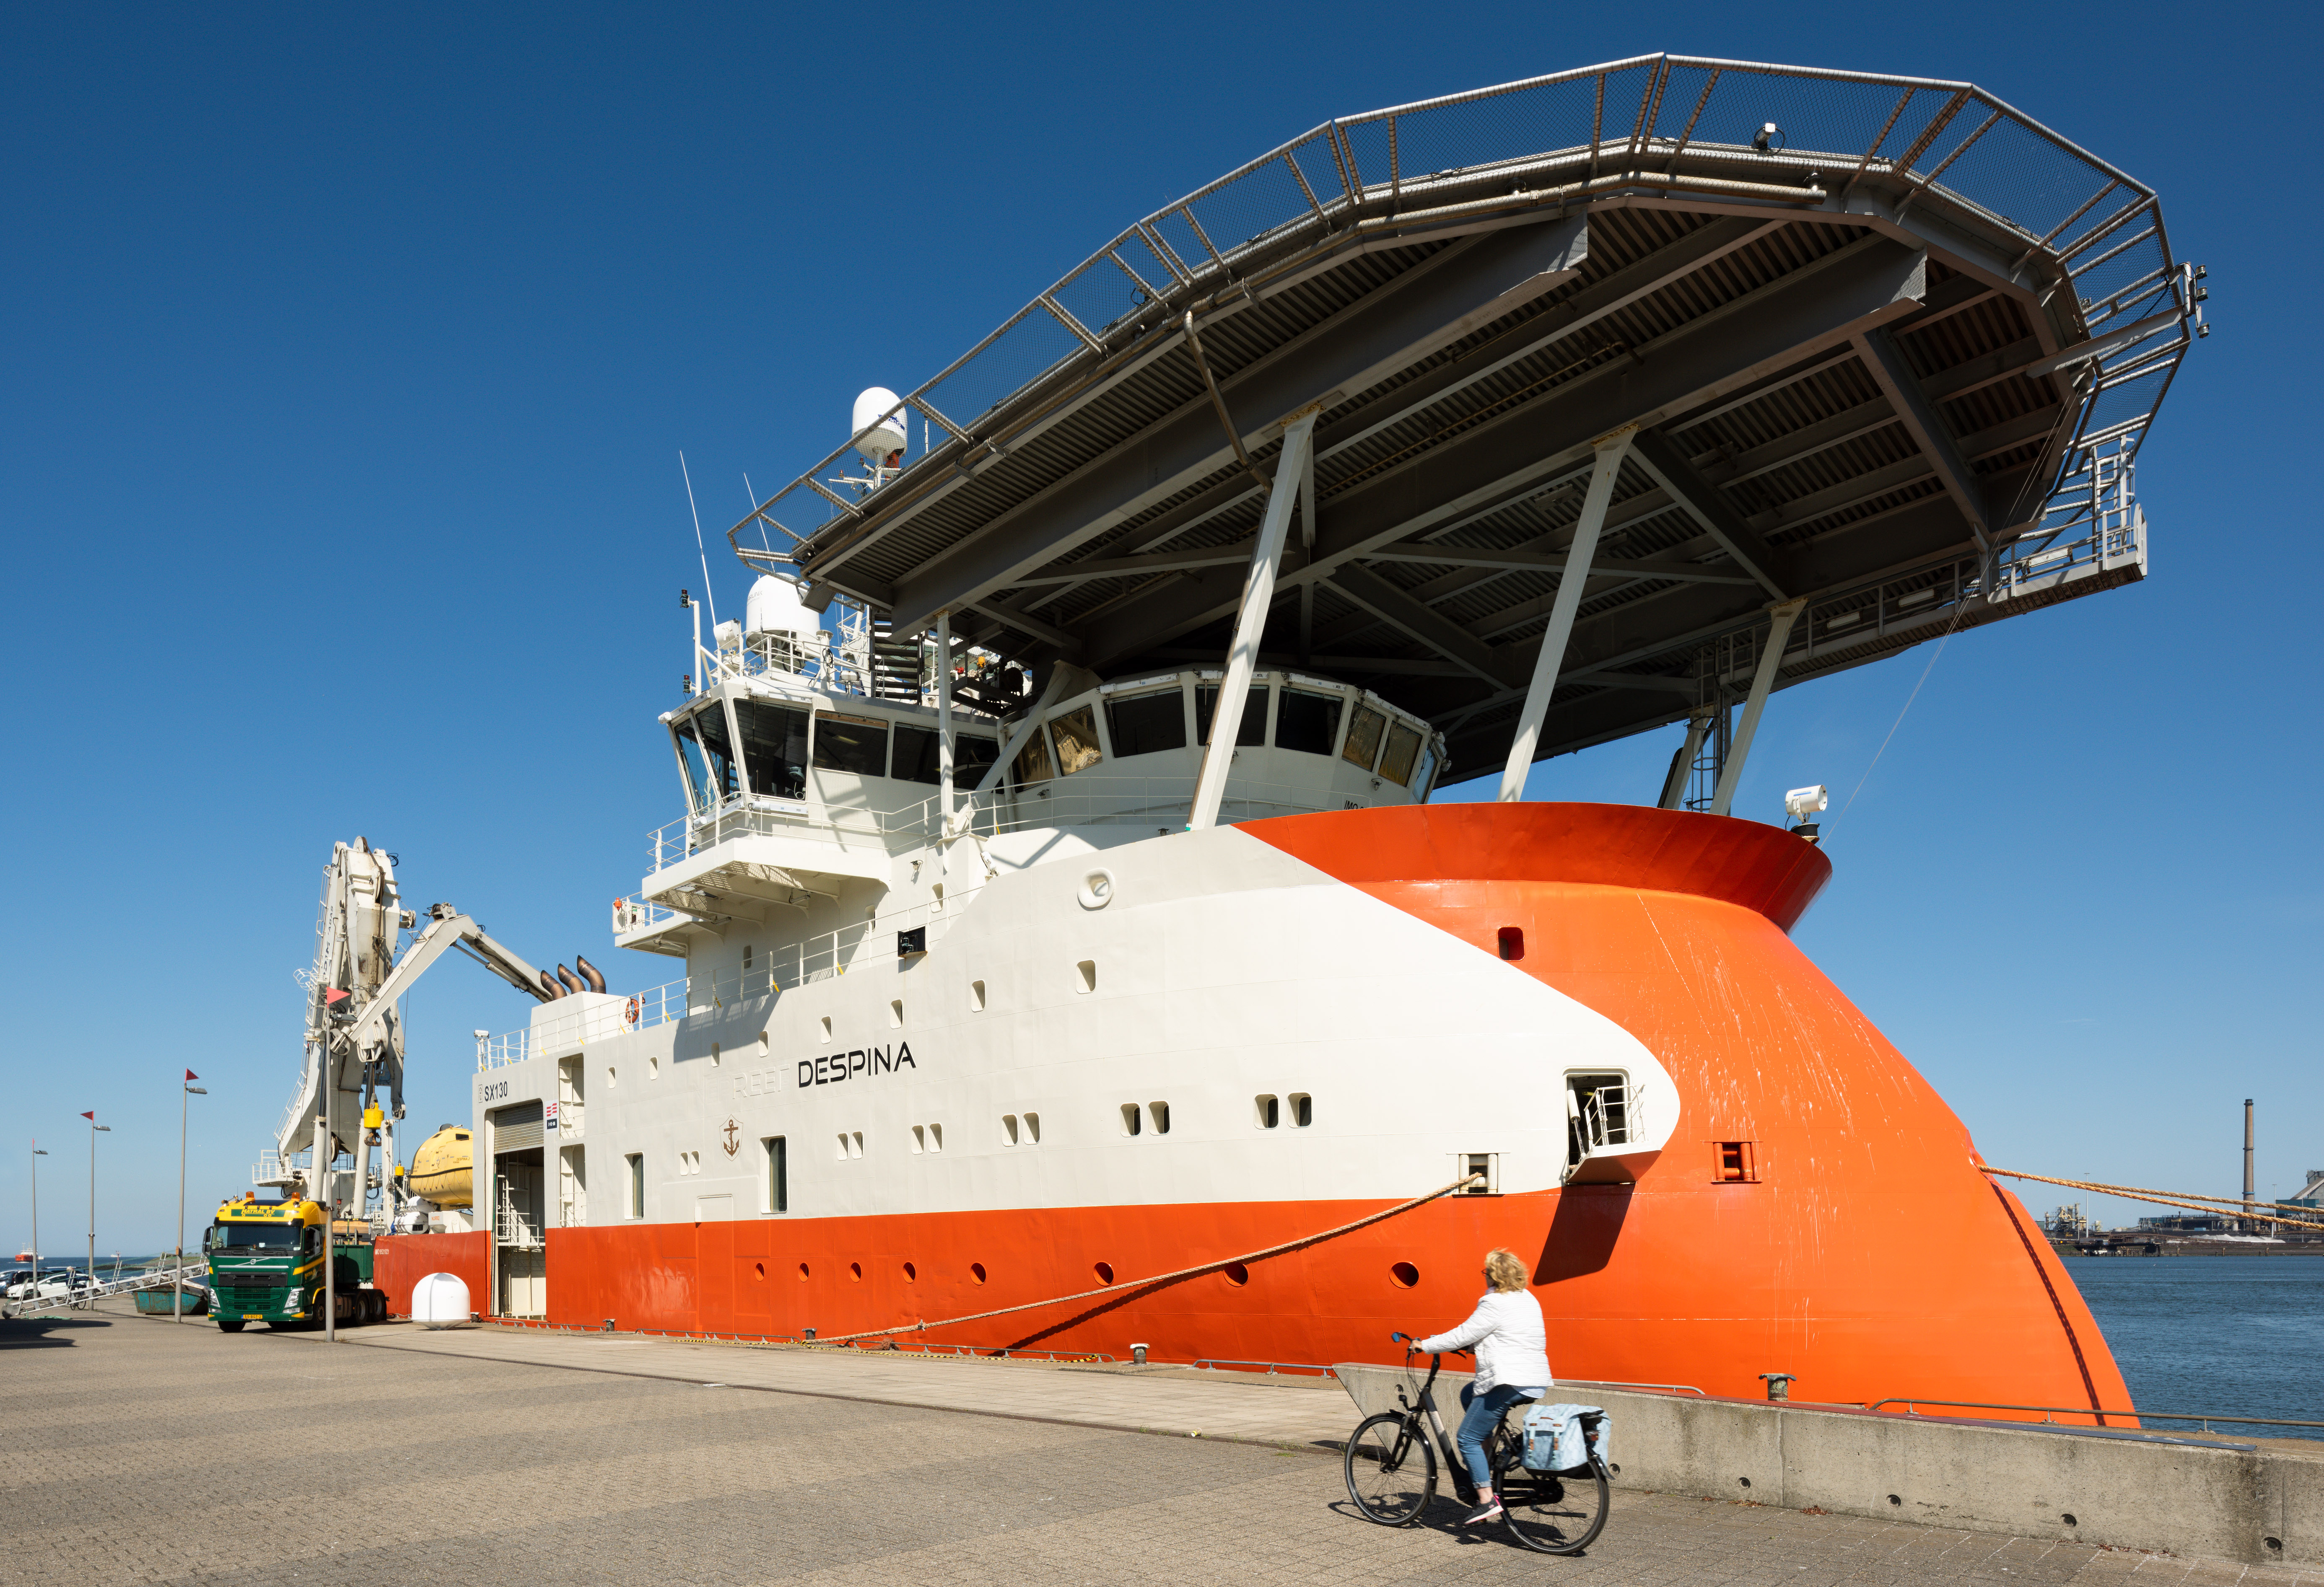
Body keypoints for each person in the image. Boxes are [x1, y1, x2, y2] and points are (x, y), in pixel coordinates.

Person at [1414, 1247, 1551, 1525]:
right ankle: (1486, 1459)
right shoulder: (1528, 1298)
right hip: (1534, 1379)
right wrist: (1476, 1346)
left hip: (1509, 1381)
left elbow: (1464, 1333)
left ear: (1493, 1275)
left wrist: (1425, 1345)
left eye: (1486, 1272)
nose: (1484, 1276)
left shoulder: (1494, 1302)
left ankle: (1487, 1500)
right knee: (1469, 1393)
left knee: (1467, 1438)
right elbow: (1509, 1335)